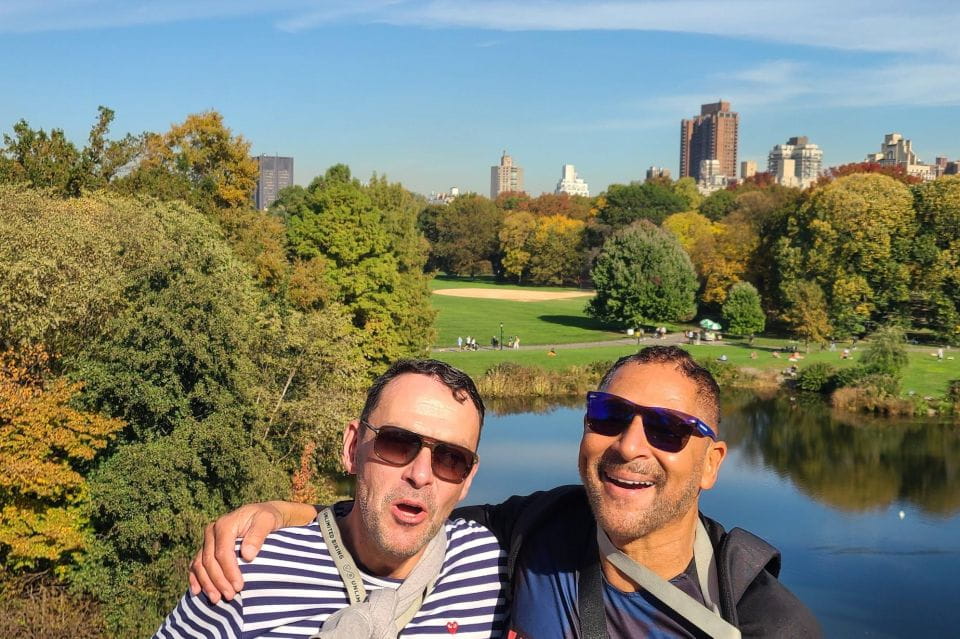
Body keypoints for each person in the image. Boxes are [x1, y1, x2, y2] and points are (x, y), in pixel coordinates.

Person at [190, 347, 820, 638]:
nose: (630, 446)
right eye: (608, 415)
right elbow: (401, 516)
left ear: (711, 464)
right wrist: (277, 514)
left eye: (667, 429)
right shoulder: (529, 534)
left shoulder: (759, 621)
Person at [155, 359, 508, 638]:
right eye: (397, 442)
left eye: (450, 459)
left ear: (467, 480)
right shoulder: (244, 573)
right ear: (352, 448)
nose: (420, 475)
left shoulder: (495, 563)